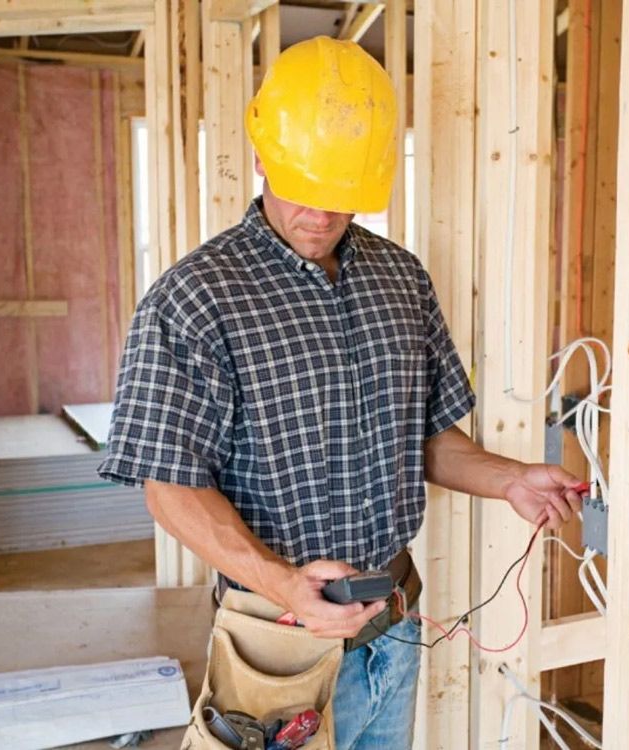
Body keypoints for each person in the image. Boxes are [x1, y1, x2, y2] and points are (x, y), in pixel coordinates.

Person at [99, 35, 582, 750]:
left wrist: (511, 480)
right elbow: (169, 488)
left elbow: (428, 436)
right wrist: (284, 583)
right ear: (262, 156)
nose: (322, 217)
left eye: (342, 197)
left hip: (393, 620)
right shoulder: (196, 298)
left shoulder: (401, 280)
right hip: (277, 637)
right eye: (305, 190)